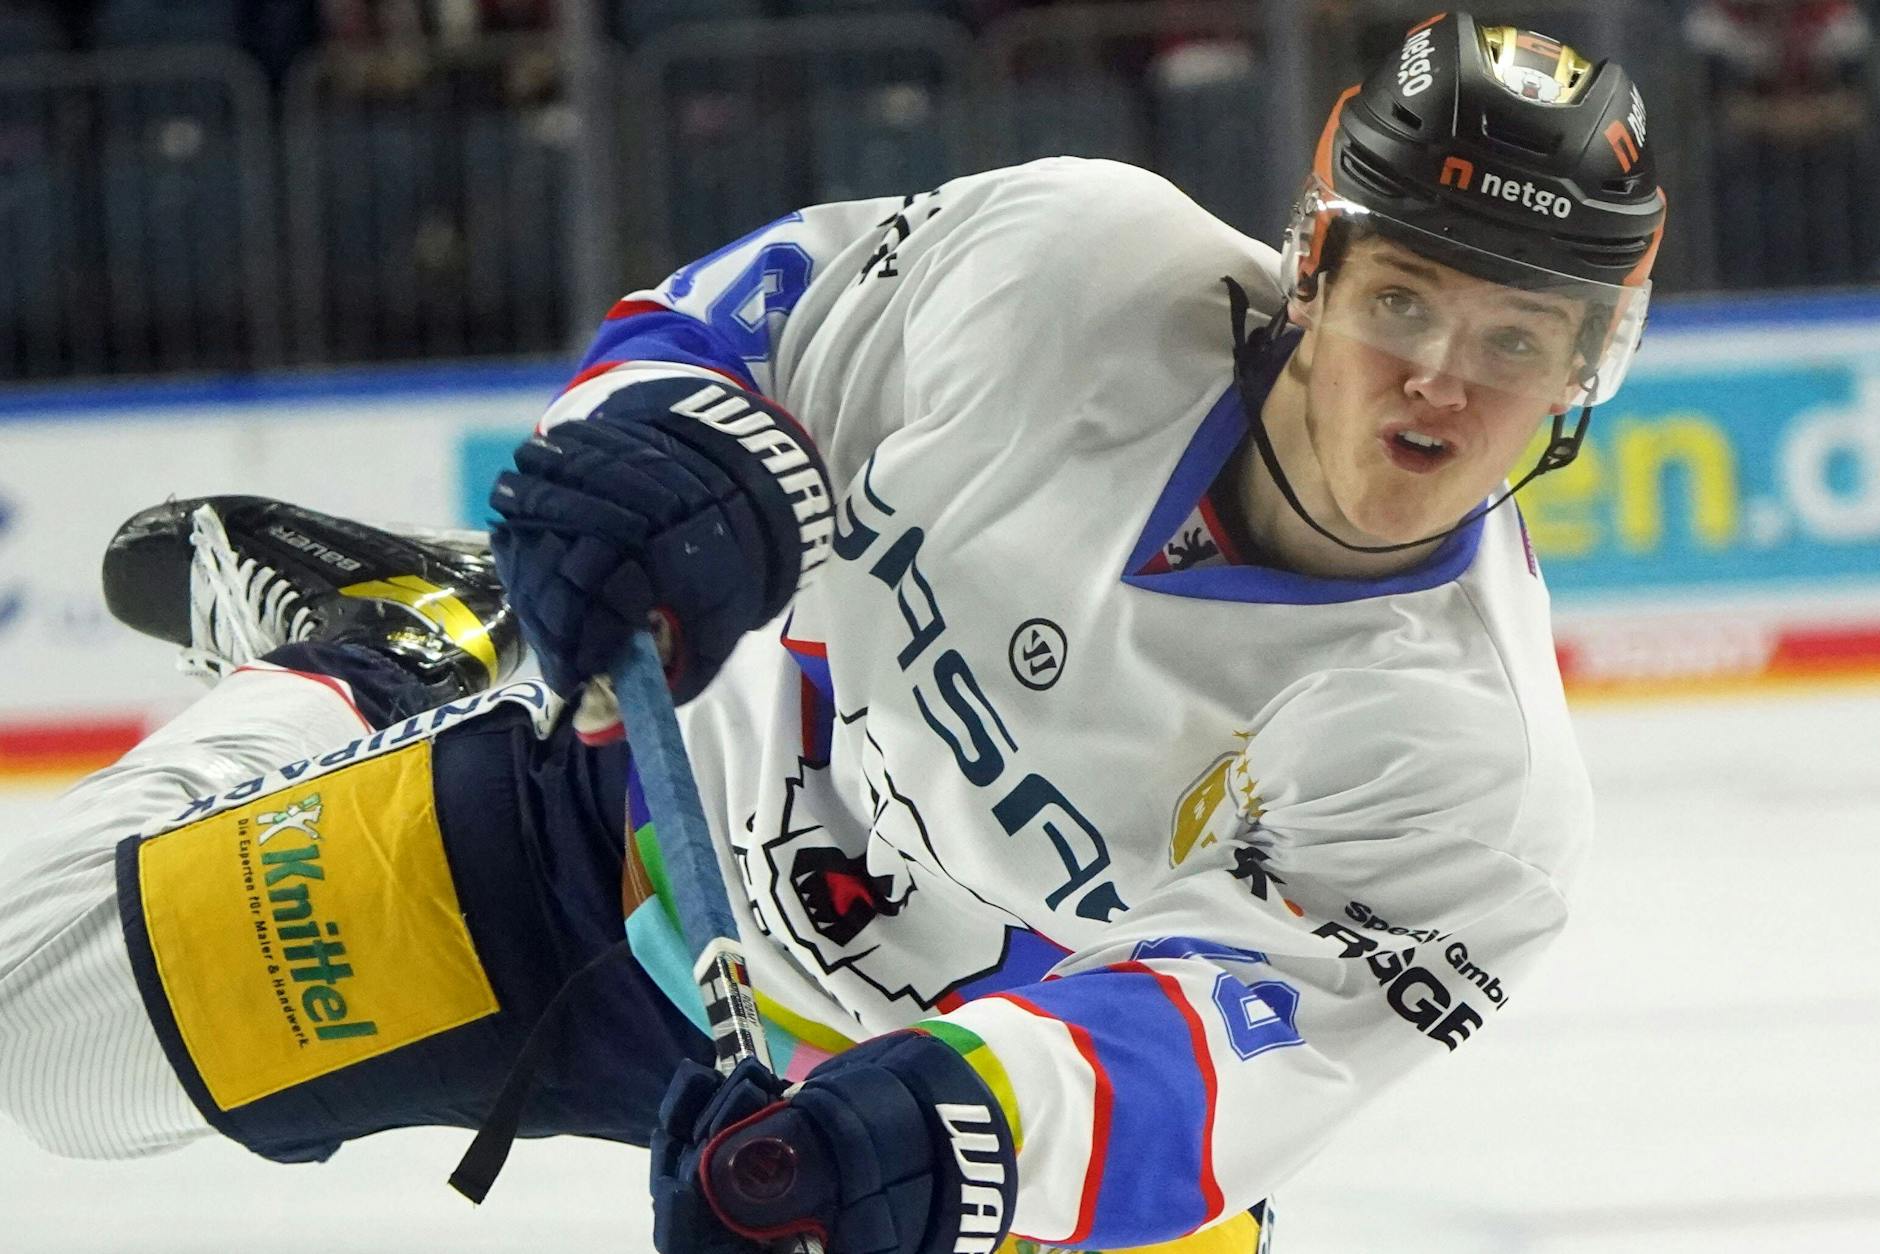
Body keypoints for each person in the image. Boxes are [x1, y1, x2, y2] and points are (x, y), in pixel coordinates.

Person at [0, 12, 1665, 1254]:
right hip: (622, 826)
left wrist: (940, 1138)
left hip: (950, 1074)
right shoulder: (1079, 265)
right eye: (1404, 300)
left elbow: (1221, 1056)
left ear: (1587, 374)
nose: (1445, 376)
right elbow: (723, 329)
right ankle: (409, 650)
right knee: (50, 1047)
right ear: (1315, 268)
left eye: (1519, 336)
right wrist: (695, 452)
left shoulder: (1473, 773)